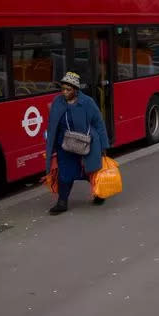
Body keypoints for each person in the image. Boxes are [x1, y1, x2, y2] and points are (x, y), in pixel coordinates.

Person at [45, 72, 110, 215]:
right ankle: (62, 202)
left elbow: (98, 123)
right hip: (65, 145)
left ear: (75, 89)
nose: (65, 92)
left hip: (86, 144)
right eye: (63, 89)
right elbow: (52, 125)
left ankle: (99, 193)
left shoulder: (87, 102)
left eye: (68, 89)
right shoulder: (57, 102)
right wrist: (51, 145)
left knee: (90, 171)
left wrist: (104, 145)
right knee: (65, 173)